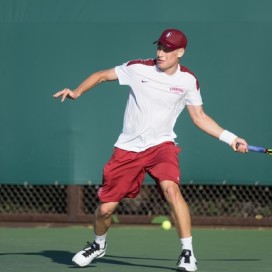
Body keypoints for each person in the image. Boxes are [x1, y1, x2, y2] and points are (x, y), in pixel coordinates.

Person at [53, 28, 248, 271]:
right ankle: (98, 245)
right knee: (105, 209)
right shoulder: (138, 68)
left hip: (161, 147)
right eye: (159, 47)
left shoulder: (188, 80)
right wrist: (77, 91)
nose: (160, 53)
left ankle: (187, 253)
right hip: (127, 149)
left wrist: (231, 138)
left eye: (167, 49)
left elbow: (199, 117)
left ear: (180, 52)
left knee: (172, 191)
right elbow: (102, 75)